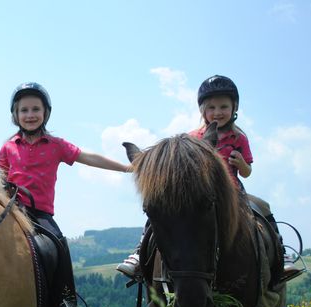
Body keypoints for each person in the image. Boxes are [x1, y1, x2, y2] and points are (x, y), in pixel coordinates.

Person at [116, 75, 299, 279]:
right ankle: (140, 253)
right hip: (197, 192)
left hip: (232, 191)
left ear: (234, 108)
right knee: (159, 211)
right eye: (211, 107)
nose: (217, 112)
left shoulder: (239, 138)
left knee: (263, 208)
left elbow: (247, 172)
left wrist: (241, 164)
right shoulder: (193, 137)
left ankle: (281, 256)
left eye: (223, 106)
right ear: (202, 111)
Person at [0, 82, 131, 307]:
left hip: (39, 213)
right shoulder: (8, 147)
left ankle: (64, 302)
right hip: (11, 209)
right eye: (24, 110)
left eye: (35, 109)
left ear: (46, 113)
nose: (30, 115)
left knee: (58, 242)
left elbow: (87, 157)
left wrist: (125, 168)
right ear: (15, 115)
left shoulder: (56, 145)